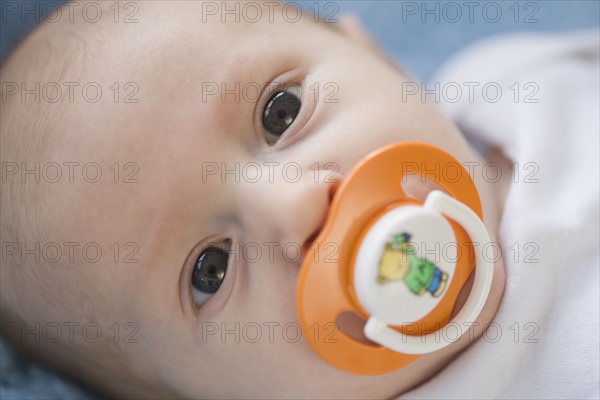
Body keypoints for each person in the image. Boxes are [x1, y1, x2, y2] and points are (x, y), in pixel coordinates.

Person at [2, 1, 516, 398]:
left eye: (282, 112)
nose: (295, 208)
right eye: (211, 269)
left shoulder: (523, 90)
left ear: (381, 59)